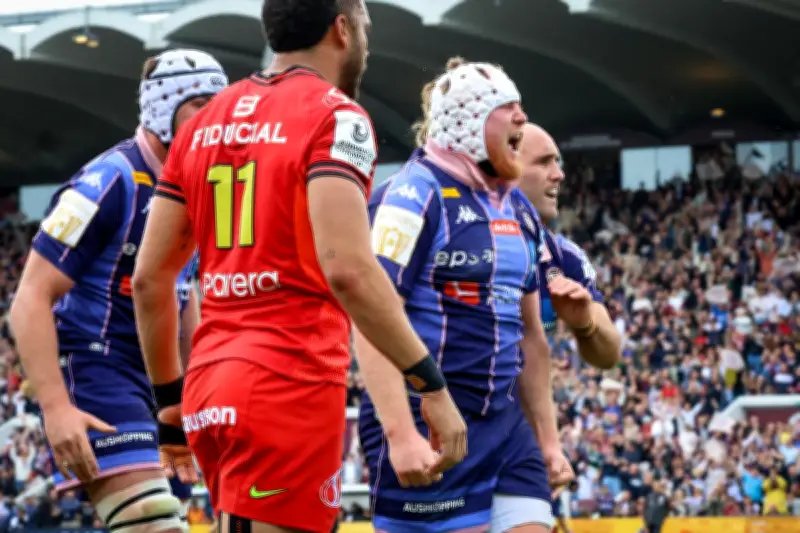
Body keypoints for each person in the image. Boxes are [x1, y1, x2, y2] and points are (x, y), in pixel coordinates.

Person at [131, 2, 467, 533]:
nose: (366, 40)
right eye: (364, 26)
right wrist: (431, 386)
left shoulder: (204, 122)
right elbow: (349, 271)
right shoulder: (337, 117)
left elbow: (150, 280)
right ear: (342, 28)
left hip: (210, 387)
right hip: (287, 384)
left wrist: (169, 406)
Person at [8, 49, 227, 533]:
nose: (214, 120)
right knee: (151, 522)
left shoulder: (200, 189)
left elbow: (185, 297)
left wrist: (199, 392)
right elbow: (29, 298)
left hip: (163, 386)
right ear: (163, 108)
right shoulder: (107, 181)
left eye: (221, 106)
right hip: (97, 365)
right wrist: (56, 408)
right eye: (200, 106)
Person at [357, 57, 573, 533]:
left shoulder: (517, 206)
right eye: (508, 108)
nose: (522, 117)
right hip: (431, 419)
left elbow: (533, 337)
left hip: (504, 421)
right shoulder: (413, 196)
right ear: (470, 123)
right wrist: (402, 433)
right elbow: (369, 318)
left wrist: (549, 442)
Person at [517, 122, 621, 368]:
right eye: (544, 162)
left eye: (557, 162)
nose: (559, 174)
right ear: (505, 169)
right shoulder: (457, 242)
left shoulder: (564, 256)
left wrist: (586, 326)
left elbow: (610, 356)